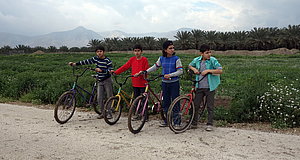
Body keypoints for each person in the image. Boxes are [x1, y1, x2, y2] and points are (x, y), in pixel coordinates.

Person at [138, 40, 183, 127]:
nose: (172, 50)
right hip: (165, 83)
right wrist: (145, 71)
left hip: (174, 83)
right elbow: (155, 67)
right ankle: (167, 120)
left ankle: (177, 122)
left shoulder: (176, 59)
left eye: (173, 48)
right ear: (165, 50)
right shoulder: (161, 58)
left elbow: (180, 71)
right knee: (165, 102)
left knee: (175, 101)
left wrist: (170, 75)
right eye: (170, 48)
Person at [68, 46, 113, 119]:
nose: (99, 53)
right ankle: (103, 113)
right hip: (100, 81)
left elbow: (110, 70)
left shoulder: (108, 60)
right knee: (99, 98)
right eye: (97, 52)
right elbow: (86, 61)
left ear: (104, 52)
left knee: (109, 97)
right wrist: (75, 64)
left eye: (100, 51)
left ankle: (109, 113)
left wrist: (102, 70)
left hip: (107, 80)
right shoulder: (95, 59)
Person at [188, 44, 223, 131]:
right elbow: (190, 65)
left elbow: (220, 70)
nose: (209, 54)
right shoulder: (197, 60)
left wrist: (208, 71)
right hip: (199, 86)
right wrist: (194, 69)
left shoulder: (213, 60)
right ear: (201, 53)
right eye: (207, 53)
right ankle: (194, 122)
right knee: (196, 105)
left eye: (210, 52)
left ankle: (210, 123)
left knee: (210, 106)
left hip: (210, 87)